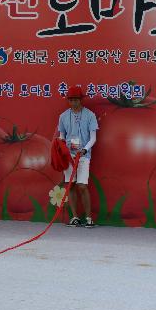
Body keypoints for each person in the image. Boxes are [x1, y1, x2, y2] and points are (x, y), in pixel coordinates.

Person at [57, 85, 99, 228]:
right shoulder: (63, 116)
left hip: (83, 155)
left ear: (81, 100)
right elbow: (62, 136)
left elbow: (93, 138)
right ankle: (74, 217)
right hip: (68, 156)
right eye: (71, 99)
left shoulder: (90, 115)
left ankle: (88, 218)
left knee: (82, 185)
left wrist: (85, 150)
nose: (74, 102)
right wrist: (64, 150)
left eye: (76, 99)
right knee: (71, 185)